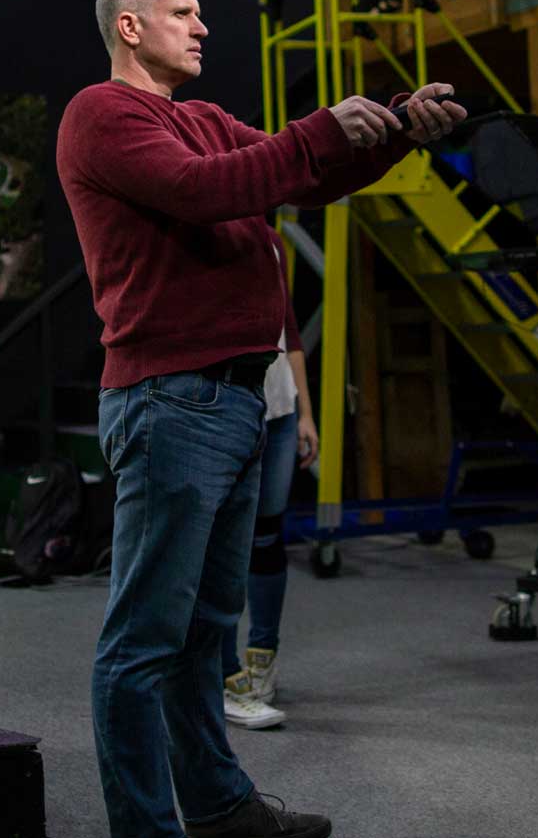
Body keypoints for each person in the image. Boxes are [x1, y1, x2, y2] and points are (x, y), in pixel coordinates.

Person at [56, 0, 465, 838]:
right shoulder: (102, 114)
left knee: (208, 631)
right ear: (131, 27)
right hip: (172, 402)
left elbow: (300, 176)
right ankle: (144, 828)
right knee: (145, 641)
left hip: (238, 401)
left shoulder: (202, 119)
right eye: (183, 12)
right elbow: (204, 192)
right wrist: (322, 127)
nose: (203, 27)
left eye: (202, 12)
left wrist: (395, 131)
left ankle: (216, 807)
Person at [219, 261, 318, 731]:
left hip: (279, 407)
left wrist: (305, 414)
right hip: (226, 403)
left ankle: (263, 653)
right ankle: (221, 671)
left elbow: (290, 334)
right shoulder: (208, 217)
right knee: (218, 545)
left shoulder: (270, 241)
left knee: (266, 536)